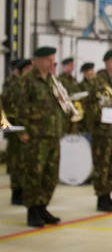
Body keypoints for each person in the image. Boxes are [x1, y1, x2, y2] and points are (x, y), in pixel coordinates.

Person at [17, 47, 71, 227]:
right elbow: (19, 108)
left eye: (53, 60)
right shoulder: (27, 81)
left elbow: (60, 106)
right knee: (34, 174)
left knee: (51, 174)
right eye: (49, 60)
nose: (51, 63)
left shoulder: (53, 81)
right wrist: (22, 132)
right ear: (38, 60)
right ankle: (32, 211)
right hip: (35, 137)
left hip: (53, 135)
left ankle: (42, 206)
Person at [88, 49, 112, 211]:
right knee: (102, 164)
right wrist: (101, 115)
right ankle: (101, 198)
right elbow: (92, 105)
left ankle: (108, 195)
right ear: (107, 62)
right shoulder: (98, 81)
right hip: (102, 131)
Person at [2, 59, 24, 205]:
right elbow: (6, 104)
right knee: (15, 159)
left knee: (21, 159)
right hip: (13, 124)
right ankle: (16, 193)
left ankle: (21, 190)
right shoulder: (11, 83)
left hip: (21, 124)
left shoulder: (23, 82)